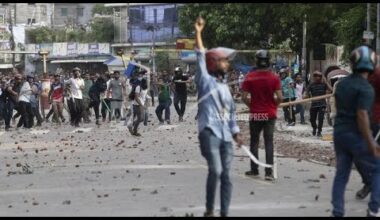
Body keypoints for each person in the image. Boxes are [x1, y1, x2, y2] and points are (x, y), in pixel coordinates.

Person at [194, 16, 243, 217]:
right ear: (214, 62)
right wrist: (198, 32)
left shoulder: (225, 88)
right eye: (224, 60)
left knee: (227, 175)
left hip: (225, 136)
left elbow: (230, 114)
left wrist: (236, 132)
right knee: (215, 170)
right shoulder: (204, 80)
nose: (227, 63)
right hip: (209, 132)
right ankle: (208, 209)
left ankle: (224, 212)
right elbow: (199, 55)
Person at [332, 45, 380, 217]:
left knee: (341, 174)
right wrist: (370, 142)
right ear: (372, 65)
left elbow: (338, 107)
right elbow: (362, 115)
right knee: (377, 169)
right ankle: (374, 209)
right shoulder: (366, 89)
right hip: (357, 135)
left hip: (339, 133)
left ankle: (337, 211)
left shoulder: (342, 84)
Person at [242, 50, 283, 181]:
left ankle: (254, 170)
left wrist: (251, 106)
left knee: (254, 142)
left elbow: (244, 97)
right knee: (268, 142)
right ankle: (268, 173)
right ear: (269, 61)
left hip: (256, 114)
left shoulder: (250, 77)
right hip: (270, 114)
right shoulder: (274, 77)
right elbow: (280, 97)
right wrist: (274, 106)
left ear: (256, 61)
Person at [304, 71, 332, 137]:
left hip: (322, 104)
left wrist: (326, 82)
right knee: (312, 119)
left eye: (319, 76)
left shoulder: (324, 84)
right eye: (316, 76)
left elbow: (331, 90)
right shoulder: (311, 85)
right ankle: (314, 128)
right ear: (314, 77)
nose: (318, 77)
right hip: (314, 104)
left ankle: (319, 131)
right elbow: (306, 93)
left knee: (321, 118)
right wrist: (306, 95)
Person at [128, 72, 148, 136]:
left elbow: (144, 97)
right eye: (145, 81)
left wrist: (146, 103)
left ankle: (132, 127)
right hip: (137, 104)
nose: (146, 82)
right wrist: (141, 105)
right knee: (141, 118)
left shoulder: (145, 88)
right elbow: (136, 97)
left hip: (141, 104)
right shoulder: (138, 87)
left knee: (141, 118)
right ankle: (134, 130)